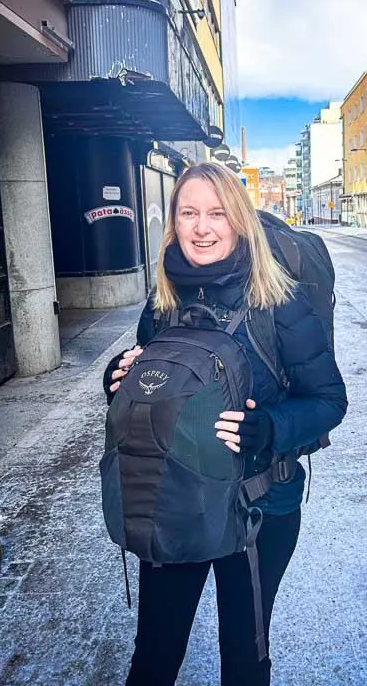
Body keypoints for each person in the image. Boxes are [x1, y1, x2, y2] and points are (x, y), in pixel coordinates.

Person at [103, 162, 347, 686]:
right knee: (154, 657)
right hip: (176, 500)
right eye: (188, 213)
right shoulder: (163, 300)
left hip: (258, 510)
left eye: (216, 213)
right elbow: (154, 388)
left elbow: (329, 400)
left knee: (243, 657)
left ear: (238, 220)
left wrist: (272, 429)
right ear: (173, 221)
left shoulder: (278, 299)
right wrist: (120, 382)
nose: (202, 227)